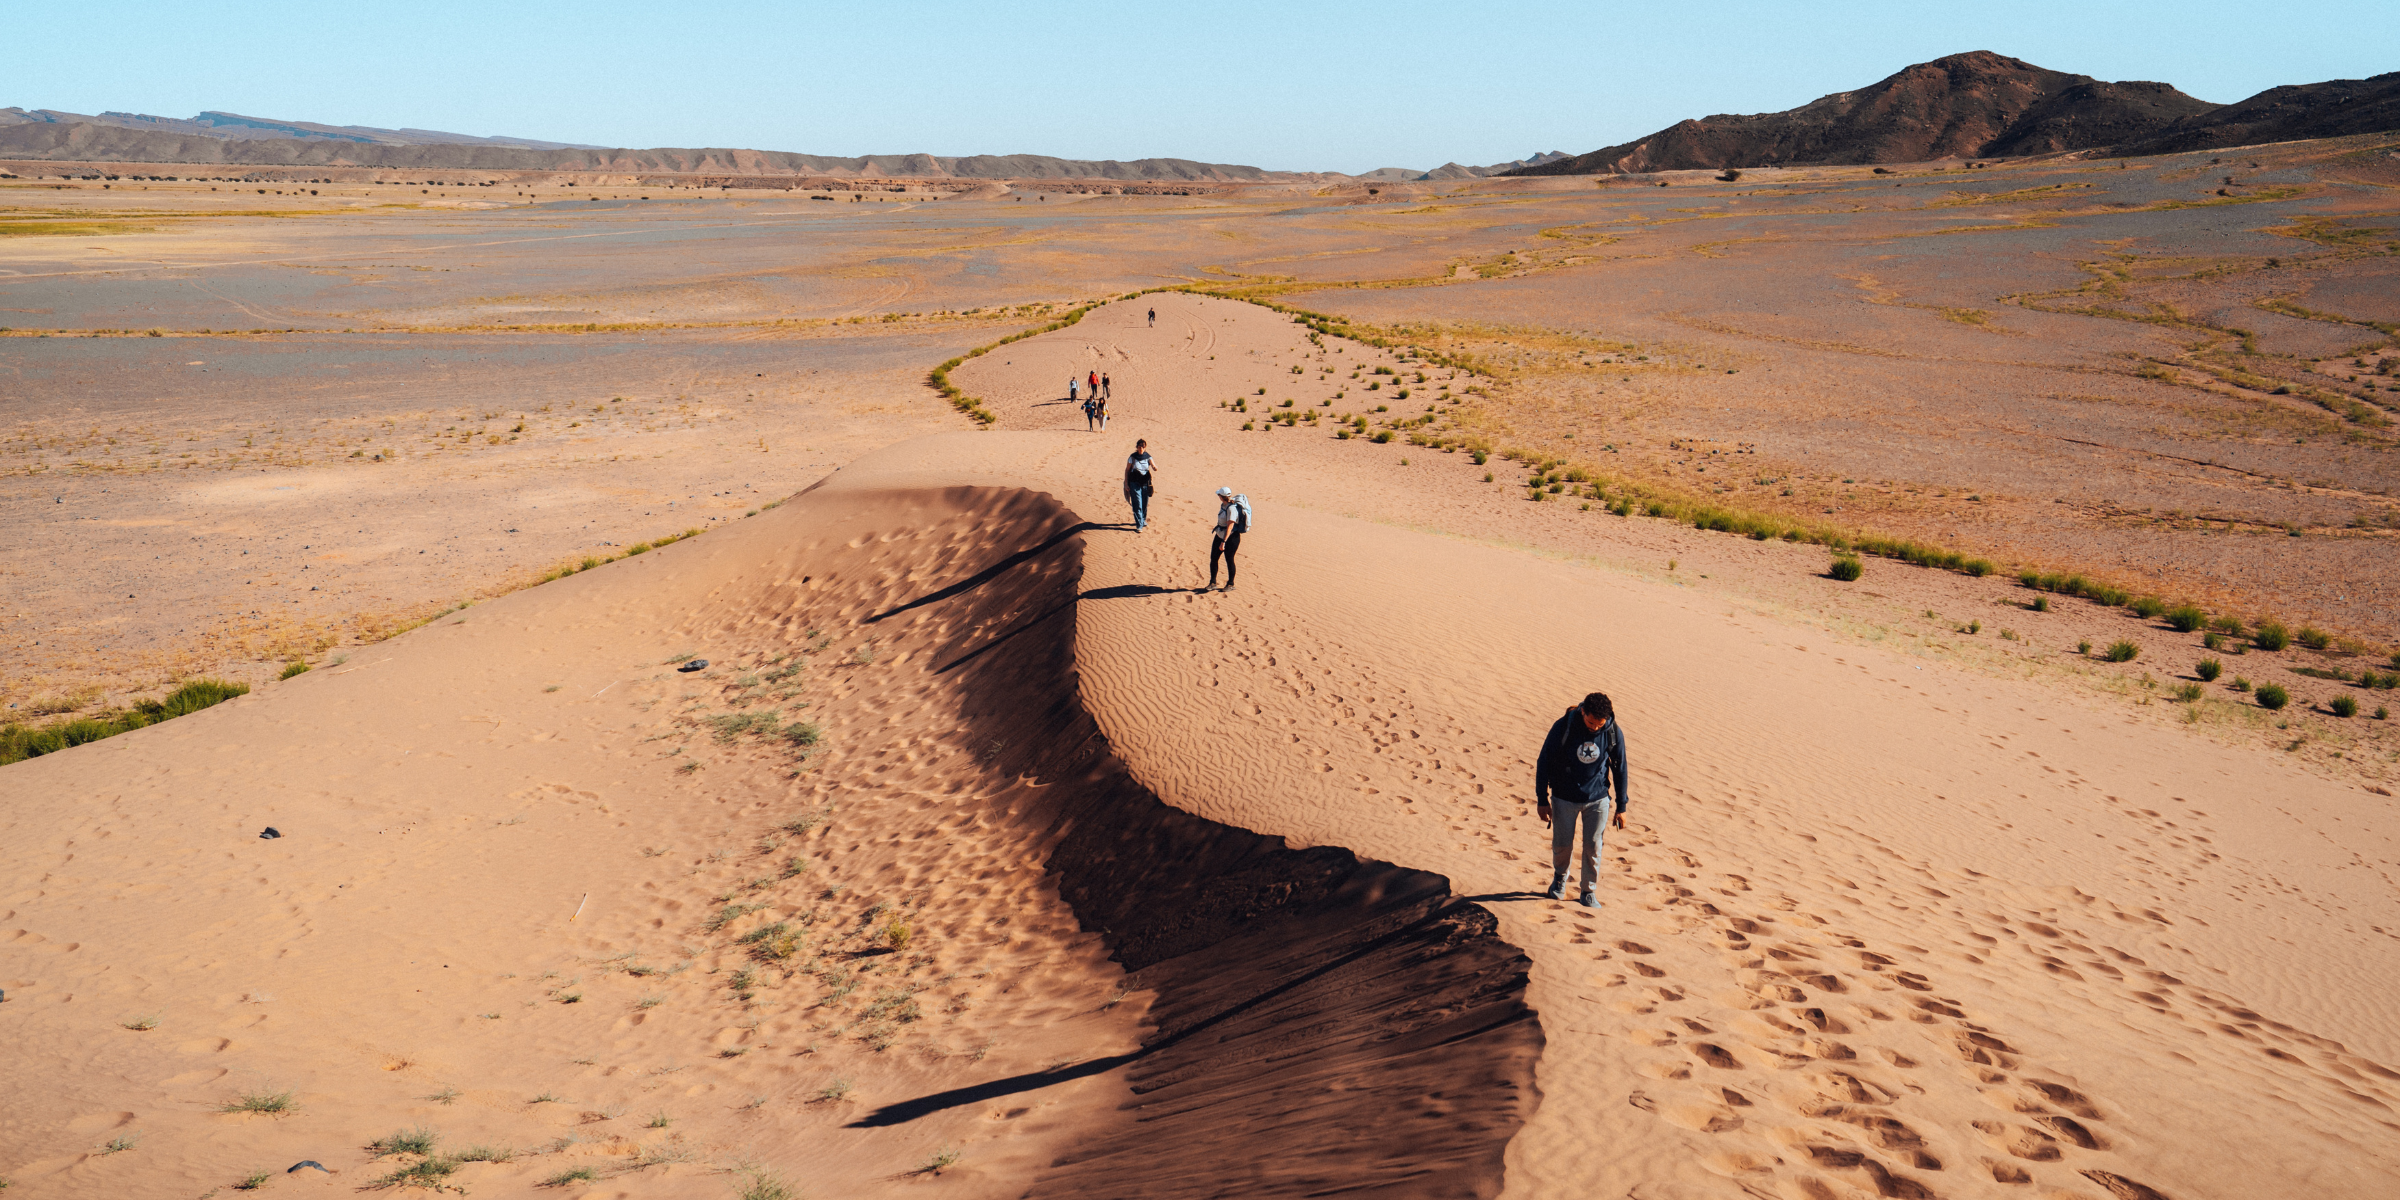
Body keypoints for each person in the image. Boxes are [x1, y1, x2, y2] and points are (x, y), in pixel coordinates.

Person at [1533, 692, 1627, 909]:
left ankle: (1588, 891)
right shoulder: (1564, 726)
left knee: (1593, 847)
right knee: (1562, 844)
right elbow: (1544, 760)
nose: (1594, 727)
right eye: (1590, 722)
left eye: (1599, 724)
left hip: (1597, 798)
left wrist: (1622, 806)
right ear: (1583, 712)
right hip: (1564, 797)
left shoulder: (1612, 731)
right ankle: (1559, 880)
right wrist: (1541, 798)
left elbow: (1620, 768)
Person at [1206, 486, 1250, 590]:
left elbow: (1230, 526)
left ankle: (1231, 584)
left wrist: (1223, 542)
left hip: (1231, 538)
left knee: (1229, 560)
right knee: (1213, 558)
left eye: (1219, 495)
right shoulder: (1224, 505)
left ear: (1221, 497)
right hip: (1219, 534)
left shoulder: (1231, 509)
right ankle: (1212, 583)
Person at [1124, 439, 1156, 531]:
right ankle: (1139, 524)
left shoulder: (1148, 457)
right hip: (1134, 482)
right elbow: (1127, 470)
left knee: (1144, 503)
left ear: (1145, 447)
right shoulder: (1132, 457)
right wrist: (1126, 484)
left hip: (1145, 483)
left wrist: (1154, 467)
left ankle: (1143, 519)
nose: (1141, 448)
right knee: (1137, 503)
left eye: (1143, 446)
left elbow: (1153, 465)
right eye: (1139, 446)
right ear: (1137, 447)